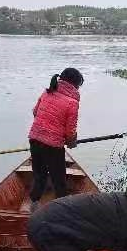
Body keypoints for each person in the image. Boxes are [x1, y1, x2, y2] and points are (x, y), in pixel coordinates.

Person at [28, 68, 84, 211]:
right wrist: (71, 142)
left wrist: (46, 129)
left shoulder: (47, 92)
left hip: (34, 139)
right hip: (52, 146)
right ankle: (62, 210)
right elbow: (70, 130)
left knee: (39, 175)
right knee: (59, 180)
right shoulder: (72, 102)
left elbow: (35, 112)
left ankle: (33, 205)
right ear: (75, 85)